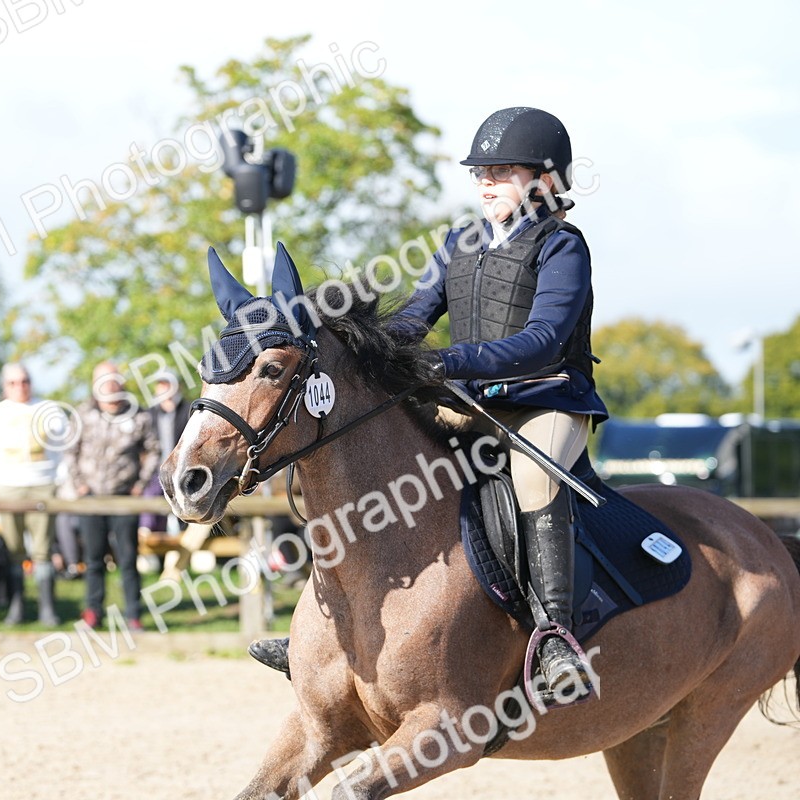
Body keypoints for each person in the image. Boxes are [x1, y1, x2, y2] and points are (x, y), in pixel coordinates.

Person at [250, 108, 607, 700]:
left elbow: (543, 340)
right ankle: (325, 629)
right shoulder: (461, 242)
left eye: (502, 170)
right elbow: (418, 315)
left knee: (535, 482)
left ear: (545, 180)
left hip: (546, 402)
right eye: (481, 171)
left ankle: (554, 638)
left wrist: (452, 362)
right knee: (370, 467)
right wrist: (365, 348)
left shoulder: (562, 245)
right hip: (467, 399)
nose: (486, 181)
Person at [65, 361, 161, 630]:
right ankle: (93, 613)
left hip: (124, 499)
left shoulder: (138, 415)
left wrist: (140, 484)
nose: (109, 384)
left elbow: (154, 450)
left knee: (128, 559)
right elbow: (70, 450)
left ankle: (133, 616)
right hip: (91, 498)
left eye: (113, 379)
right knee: (93, 559)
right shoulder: (82, 414)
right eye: (103, 380)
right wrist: (79, 484)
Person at [0, 362, 61, 625]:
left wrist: (60, 480)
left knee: (43, 550)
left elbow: (64, 448)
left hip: (42, 484)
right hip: (8, 486)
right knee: (13, 549)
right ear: (5, 386)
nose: (20, 387)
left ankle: (47, 610)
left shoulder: (49, 410)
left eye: (24, 381)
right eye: (13, 383)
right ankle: (16, 608)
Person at [139, 373, 211, 582]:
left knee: (192, 511)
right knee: (149, 498)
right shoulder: (150, 414)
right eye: (160, 385)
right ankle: (146, 548)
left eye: (167, 384)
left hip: (187, 473)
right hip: (156, 473)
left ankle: (174, 564)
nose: (164, 389)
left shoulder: (191, 410)